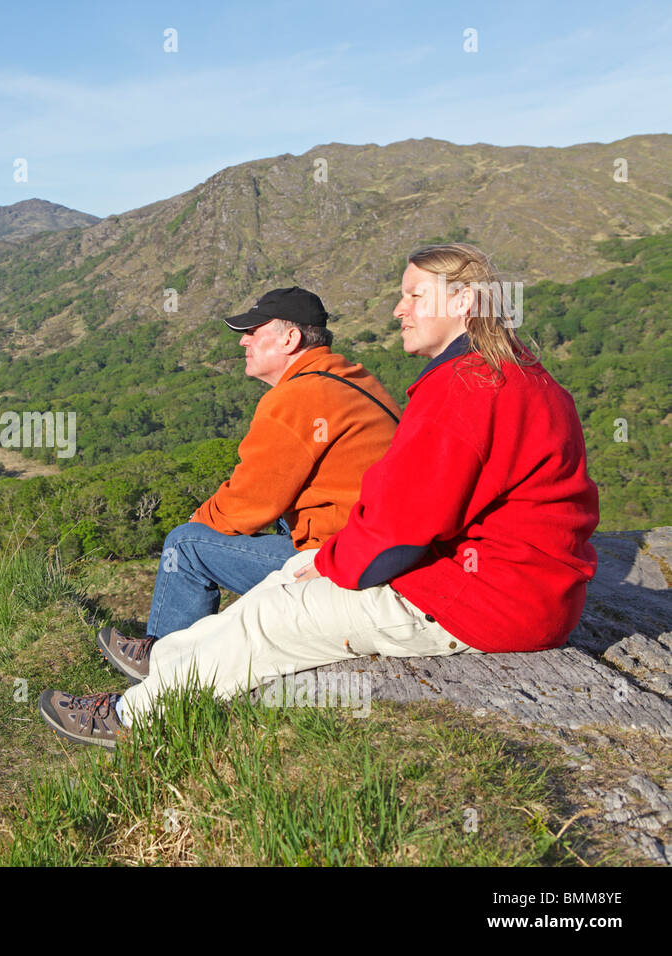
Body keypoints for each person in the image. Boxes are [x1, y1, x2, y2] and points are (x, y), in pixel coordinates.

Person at [41, 243, 600, 748]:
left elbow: (400, 530)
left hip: (487, 602)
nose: (398, 309)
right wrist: (326, 558)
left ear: (463, 302)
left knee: (274, 615)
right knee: (287, 577)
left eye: (413, 296)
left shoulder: (466, 389)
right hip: (515, 588)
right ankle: (166, 662)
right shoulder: (512, 374)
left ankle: (135, 719)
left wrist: (334, 563)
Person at [97, 285, 401, 683]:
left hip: (340, 562)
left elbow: (248, 504)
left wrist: (198, 520)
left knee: (185, 545)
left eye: (254, 331)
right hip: (376, 551)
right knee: (270, 527)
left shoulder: (300, 395)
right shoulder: (348, 378)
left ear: (290, 339)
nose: (244, 341)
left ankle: (164, 675)